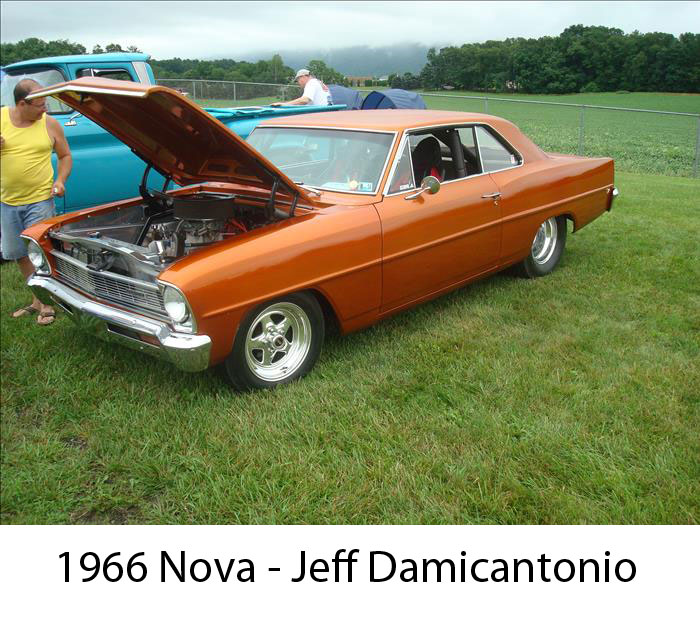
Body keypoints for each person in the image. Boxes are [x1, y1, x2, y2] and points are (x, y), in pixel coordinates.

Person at [1, 78, 72, 325]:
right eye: (41, 105)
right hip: (6, 201)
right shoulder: (1, 119)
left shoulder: (49, 124)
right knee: (19, 254)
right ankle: (36, 300)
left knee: (40, 252)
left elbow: (65, 155)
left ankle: (48, 305)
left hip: (40, 199)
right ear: (22, 104)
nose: (45, 109)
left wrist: (60, 180)